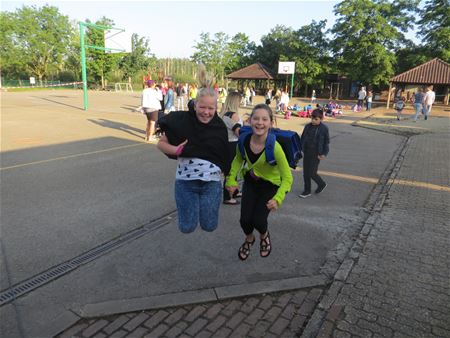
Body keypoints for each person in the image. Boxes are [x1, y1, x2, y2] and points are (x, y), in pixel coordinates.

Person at [157, 65, 230, 233]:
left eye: (211, 108)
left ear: (216, 108)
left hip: (211, 183)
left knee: (209, 226)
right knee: (187, 227)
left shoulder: (219, 127)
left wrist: (229, 177)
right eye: (202, 107)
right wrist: (176, 150)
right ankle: (192, 207)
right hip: (185, 183)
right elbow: (160, 144)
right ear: (195, 105)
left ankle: (203, 207)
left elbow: (226, 153)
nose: (206, 112)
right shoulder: (181, 121)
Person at [226, 104, 293, 260]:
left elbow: (288, 177)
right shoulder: (243, 140)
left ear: (271, 122)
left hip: (270, 185)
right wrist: (231, 178)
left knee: (259, 220)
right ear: (249, 121)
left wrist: (278, 198)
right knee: (244, 221)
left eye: (264, 119)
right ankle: (249, 239)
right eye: (256, 118)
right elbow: (237, 160)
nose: (260, 123)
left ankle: (264, 236)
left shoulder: (274, 148)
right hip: (251, 182)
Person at [299, 109, 329, 198]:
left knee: (312, 173)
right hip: (307, 152)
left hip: (316, 154)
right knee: (305, 173)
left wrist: (324, 153)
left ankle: (322, 184)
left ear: (321, 119)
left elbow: (326, 142)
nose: (313, 121)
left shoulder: (324, 128)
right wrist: (300, 148)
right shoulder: (307, 126)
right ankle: (307, 190)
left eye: (316, 119)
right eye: (312, 118)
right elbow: (303, 137)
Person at [220, 91, 243, 205]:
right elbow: (239, 132)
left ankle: (234, 191)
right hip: (233, 144)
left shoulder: (224, 114)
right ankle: (228, 196)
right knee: (231, 170)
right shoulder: (233, 115)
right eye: (239, 100)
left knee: (231, 169)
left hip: (226, 144)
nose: (240, 102)